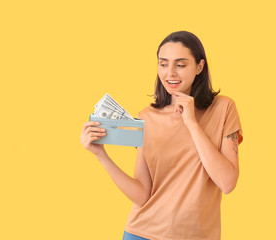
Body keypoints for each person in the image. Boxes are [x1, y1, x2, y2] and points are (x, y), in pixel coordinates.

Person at [80, 30, 243, 240]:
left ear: (199, 67)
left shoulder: (223, 108)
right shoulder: (147, 118)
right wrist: (101, 155)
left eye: (181, 65)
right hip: (142, 233)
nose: (170, 73)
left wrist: (192, 123)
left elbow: (227, 183)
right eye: (163, 64)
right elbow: (142, 194)